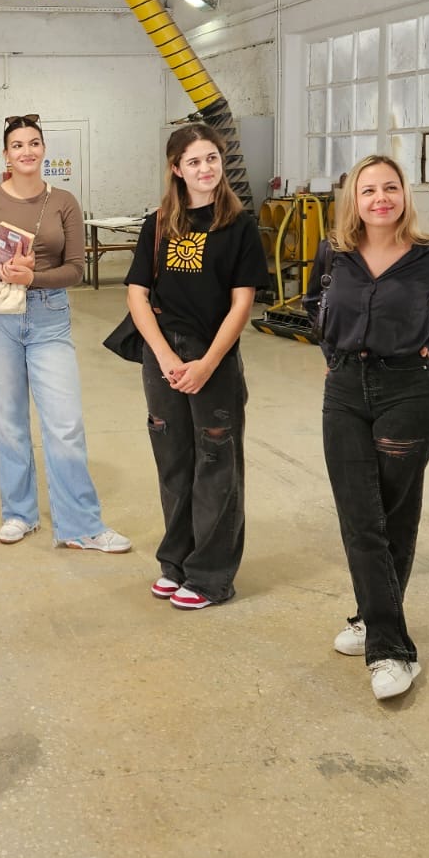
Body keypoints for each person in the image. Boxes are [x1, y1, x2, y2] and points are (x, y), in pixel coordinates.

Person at [304, 154, 429, 699]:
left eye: (390, 188)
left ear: (405, 194)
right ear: (353, 200)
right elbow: (314, 300)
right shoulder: (335, 252)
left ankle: (385, 642)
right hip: (345, 392)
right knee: (361, 518)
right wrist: (330, 344)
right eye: (368, 190)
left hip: (409, 390)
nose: (380, 198)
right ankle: (385, 634)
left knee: (393, 517)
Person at [0, 114, 130, 553]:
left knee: (65, 422)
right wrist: (5, 271)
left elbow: (75, 269)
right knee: (10, 421)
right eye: (17, 145)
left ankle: (81, 525)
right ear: (6, 154)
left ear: (43, 150)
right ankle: (19, 513)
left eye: (34, 143)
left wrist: (32, 278)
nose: (27, 151)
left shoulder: (64, 202)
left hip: (49, 316)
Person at [125, 122, 266, 609]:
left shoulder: (241, 226)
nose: (205, 169)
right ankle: (176, 563)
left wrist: (207, 363)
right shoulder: (159, 223)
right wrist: (164, 356)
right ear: (176, 169)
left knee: (216, 463)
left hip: (215, 355)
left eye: (212, 158)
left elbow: (242, 303)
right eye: (194, 161)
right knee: (174, 461)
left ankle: (211, 576)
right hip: (162, 353)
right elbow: (137, 294)